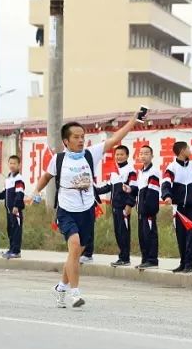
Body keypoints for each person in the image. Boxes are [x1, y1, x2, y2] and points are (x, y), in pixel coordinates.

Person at [32, 116, 139, 308]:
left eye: (82, 136)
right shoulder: (59, 159)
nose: (81, 140)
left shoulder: (91, 154)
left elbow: (115, 140)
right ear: (66, 141)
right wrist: (35, 191)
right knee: (74, 247)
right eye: (76, 137)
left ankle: (61, 287)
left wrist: (133, 120)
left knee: (75, 254)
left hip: (87, 210)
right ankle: (75, 293)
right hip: (66, 210)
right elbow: (47, 176)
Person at [162, 140, 192, 273]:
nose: (190, 151)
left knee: (191, 236)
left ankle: (189, 265)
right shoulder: (172, 167)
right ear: (182, 151)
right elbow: (166, 183)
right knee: (181, 236)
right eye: (188, 148)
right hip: (178, 208)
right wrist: (167, 196)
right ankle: (183, 262)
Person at [96, 145, 137, 267]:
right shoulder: (114, 171)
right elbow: (108, 187)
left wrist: (129, 205)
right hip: (115, 206)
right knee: (118, 232)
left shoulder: (131, 171)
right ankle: (122, 256)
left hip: (124, 207)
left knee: (124, 232)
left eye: (121, 154)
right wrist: (94, 190)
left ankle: (125, 258)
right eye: (117, 154)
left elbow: (134, 189)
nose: (119, 157)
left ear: (127, 156)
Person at [0, 155, 32, 259]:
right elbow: (5, 193)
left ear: (19, 165)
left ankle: (16, 251)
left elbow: (20, 194)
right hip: (8, 210)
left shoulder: (18, 179)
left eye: (14, 163)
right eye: (10, 163)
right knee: (10, 229)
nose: (12, 165)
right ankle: (11, 249)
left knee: (16, 230)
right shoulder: (9, 178)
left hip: (15, 210)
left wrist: (16, 206)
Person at [134, 144, 161, 270]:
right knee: (142, 235)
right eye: (141, 153)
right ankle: (145, 259)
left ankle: (152, 259)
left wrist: (148, 209)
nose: (143, 156)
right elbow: (140, 191)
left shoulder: (153, 172)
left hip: (148, 210)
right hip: (141, 210)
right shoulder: (141, 171)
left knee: (150, 234)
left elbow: (152, 192)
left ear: (152, 156)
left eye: (146, 153)